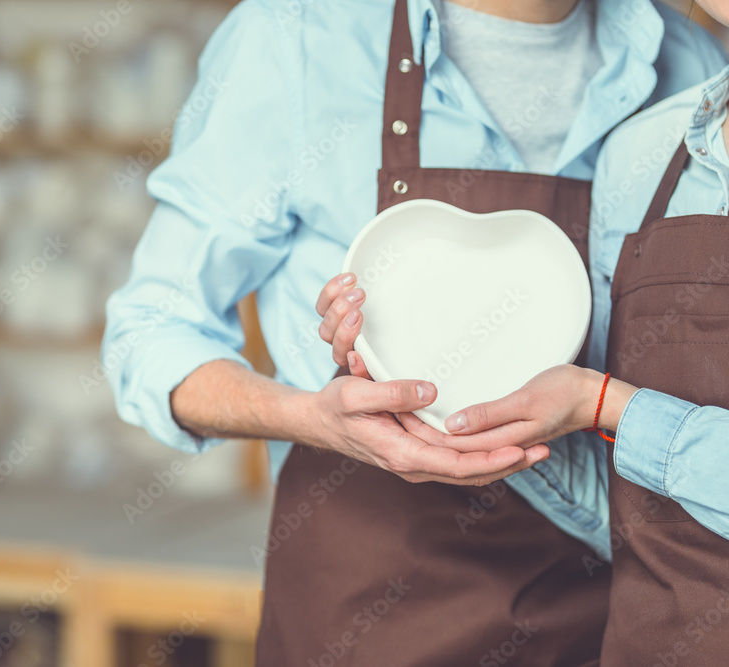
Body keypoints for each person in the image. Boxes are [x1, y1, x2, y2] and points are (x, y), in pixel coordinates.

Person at [103, 0, 726, 663]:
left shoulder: (687, 63)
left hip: (606, 625)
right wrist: (313, 418)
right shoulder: (299, 38)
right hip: (366, 623)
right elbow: (150, 331)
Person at [340, 2, 729, 662]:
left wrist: (609, 406)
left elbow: (611, 409)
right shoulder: (641, 155)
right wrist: (444, 405)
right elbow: (627, 504)